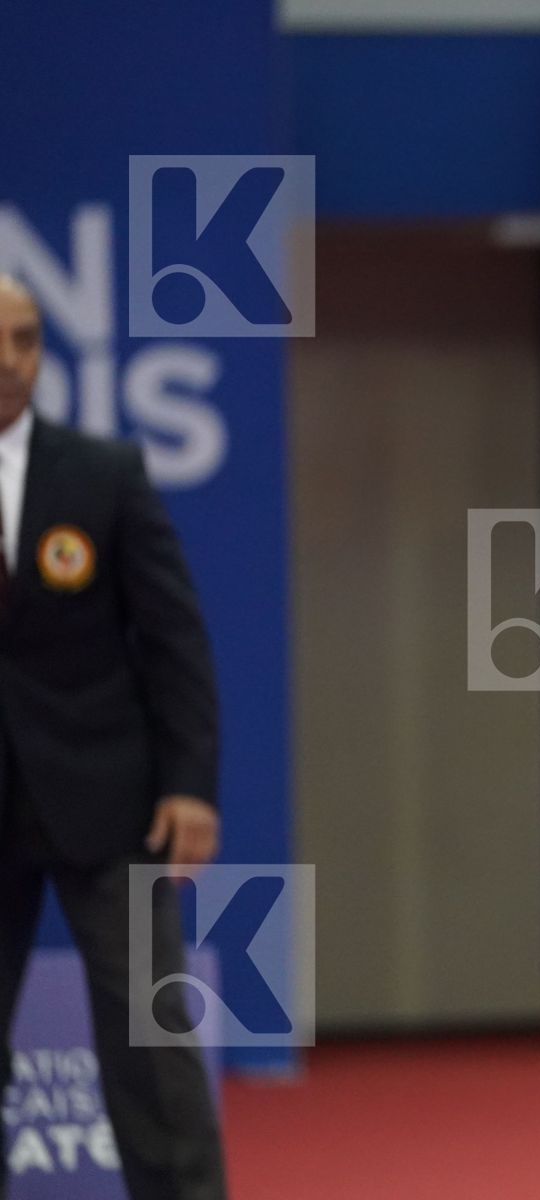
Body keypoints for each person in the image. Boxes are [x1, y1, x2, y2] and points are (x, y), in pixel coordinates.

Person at [0, 275, 227, 1200]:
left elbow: (174, 639)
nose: (10, 362)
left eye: (25, 339)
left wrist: (192, 784)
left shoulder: (104, 474)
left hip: (112, 798)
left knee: (152, 1038)